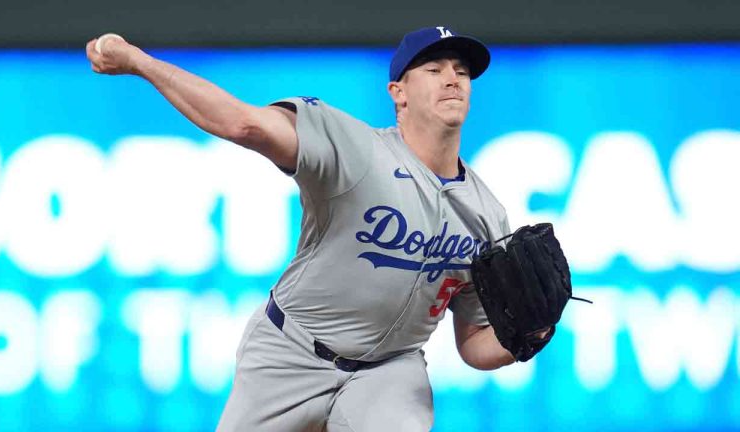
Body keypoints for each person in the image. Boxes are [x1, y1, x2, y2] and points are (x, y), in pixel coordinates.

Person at [87, 25, 535, 432]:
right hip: (291, 352)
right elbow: (242, 123)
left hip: (389, 372)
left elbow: (474, 344)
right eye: (434, 69)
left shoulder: (486, 214)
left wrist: (528, 336)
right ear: (398, 92)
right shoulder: (353, 147)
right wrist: (138, 61)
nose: (452, 78)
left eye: (461, 71)